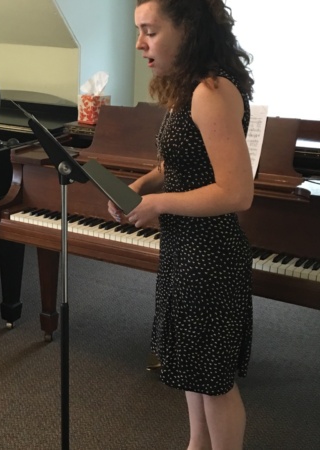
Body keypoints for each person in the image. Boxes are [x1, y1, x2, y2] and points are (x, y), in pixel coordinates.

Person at [108, 1, 255, 449]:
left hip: (210, 257)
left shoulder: (211, 91)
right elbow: (181, 164)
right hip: (185, 249)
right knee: (194, 366)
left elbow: (236, 193)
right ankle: (196, 444)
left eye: (149, 31)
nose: (139, 43)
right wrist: (142, 185)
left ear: (187, 28)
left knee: (215, 381)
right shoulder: (187, 87)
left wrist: (157, 204)